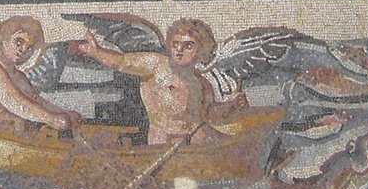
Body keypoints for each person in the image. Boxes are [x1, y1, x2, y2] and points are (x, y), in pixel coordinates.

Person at [71, 18, 247, 145]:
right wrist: (96, 52)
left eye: (188, 46)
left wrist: (231, 105)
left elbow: (209, 115)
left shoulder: (202, 83)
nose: (179, 50)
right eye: (175, 44)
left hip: (198, 147)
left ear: (201, 49)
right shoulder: (156, 65)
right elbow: (122, 61)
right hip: (163, 148)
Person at [0, 17, 80, 133]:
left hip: (17, 135)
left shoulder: (19, 76)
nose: (23, 50)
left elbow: (36, 101)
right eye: (19, 42)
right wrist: (51, 119)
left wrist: (63, 113)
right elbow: (13, 101)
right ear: (4, 39)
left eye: (29, 48)